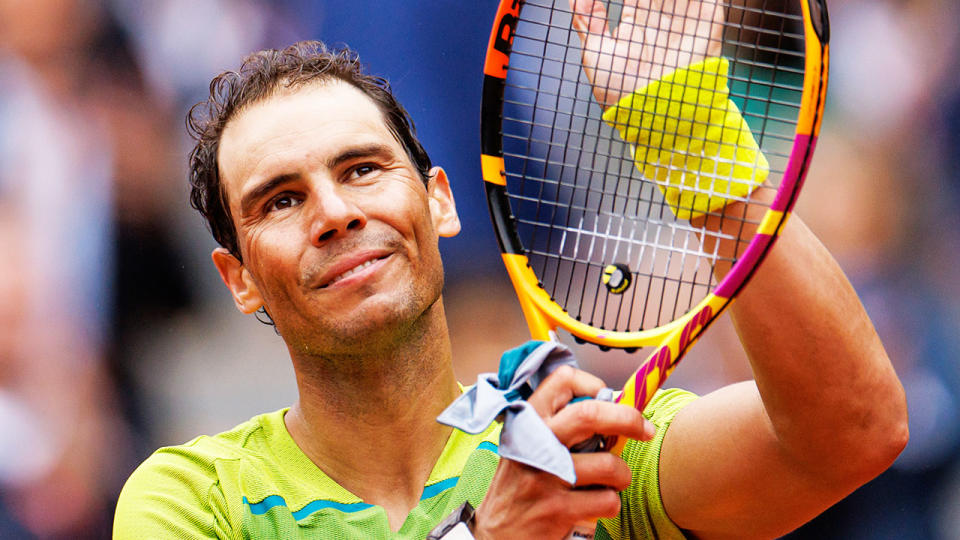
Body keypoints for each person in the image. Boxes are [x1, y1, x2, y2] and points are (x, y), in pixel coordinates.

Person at [115, 2, 908, 538]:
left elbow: (851, 435)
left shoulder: (581, 451)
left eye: (362, 170)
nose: (335, 212)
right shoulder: (189, 499)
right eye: (281, 201)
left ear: (440, 205)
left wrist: (693, 134)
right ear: (238, 277)